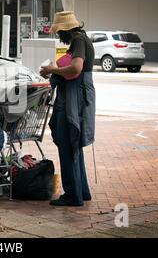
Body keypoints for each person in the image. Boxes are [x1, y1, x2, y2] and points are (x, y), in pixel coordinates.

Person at [40, 11, 96, 207]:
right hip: (78, 94)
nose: (58, 37)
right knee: (74, 145)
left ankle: (72, 195)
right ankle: (82, 191)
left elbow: (76, 68)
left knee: (67, 142)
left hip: (74, 96)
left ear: (65, 30)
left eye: (59, 32)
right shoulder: (83, 39)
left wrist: (52, 70)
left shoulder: (79, 41)